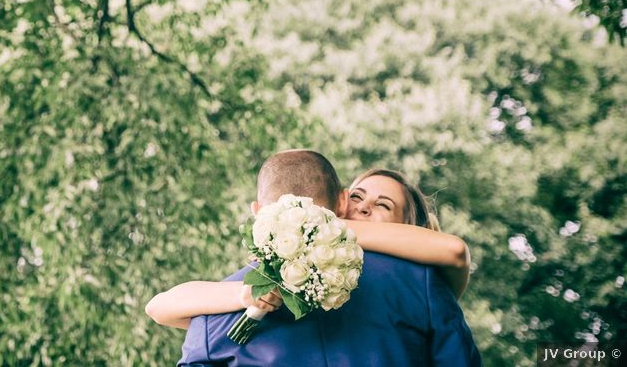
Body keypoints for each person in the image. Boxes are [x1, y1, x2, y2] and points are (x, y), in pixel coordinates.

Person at [152, 149, 481, 366]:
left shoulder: (212, 318)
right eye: (357, 197)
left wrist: (315, 221)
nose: (363, 208)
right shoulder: (424, 288)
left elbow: (452, 251)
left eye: (383, 205)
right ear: (341, 203)